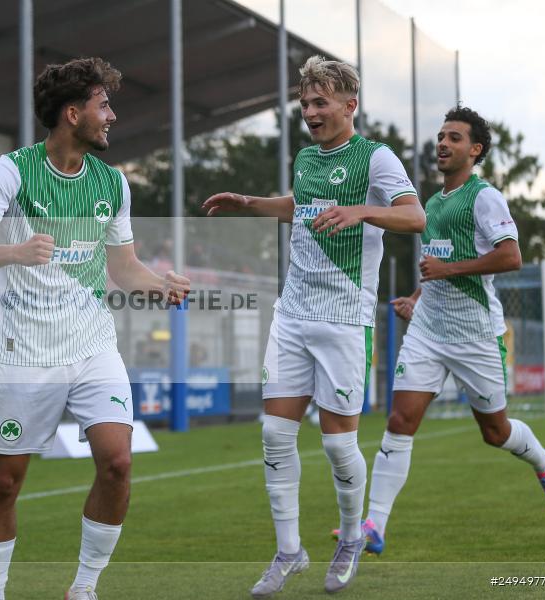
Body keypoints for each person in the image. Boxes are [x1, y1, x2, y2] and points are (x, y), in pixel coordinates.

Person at [0, 57, 189, 600]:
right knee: (3, 485)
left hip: (92, 346)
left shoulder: (113, 183)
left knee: (117, 462)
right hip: (25, 352)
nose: (111, 116)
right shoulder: (9, 171)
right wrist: (15, 250)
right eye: (102, 105)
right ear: (72, 113)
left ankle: (83, 589)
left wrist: (159, 284)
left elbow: (123, 266)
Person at [203, 55, 425, 596]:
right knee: (275, 435)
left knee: (337, 447)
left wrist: (362, 211)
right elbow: (300, 205)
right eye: (305, 103)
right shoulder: (305, 158)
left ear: (350, 105)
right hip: (293, 315)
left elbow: (415, 215)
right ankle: (289, 551)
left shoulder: (376, 159)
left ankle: (351, 538)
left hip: (345, 320)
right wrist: (251, 202)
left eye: (320, 103)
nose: (310, 112)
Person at [335, 106, 545, 556]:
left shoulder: (484, 198)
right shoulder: (431, 204)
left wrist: (447, 269)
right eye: (441, 136)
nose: (442, 143)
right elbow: (437, 261)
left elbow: (511, 257)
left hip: (477, 335)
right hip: (428, 332)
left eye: (454, 137)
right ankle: (374, 524)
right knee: (400, 422)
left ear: (474, 150)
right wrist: (418, 297)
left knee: (494, 432)